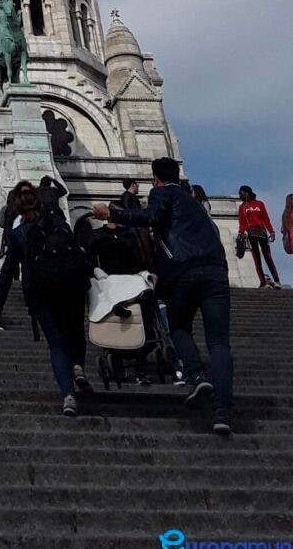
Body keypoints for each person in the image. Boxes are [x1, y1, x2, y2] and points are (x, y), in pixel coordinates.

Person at [95, 157, 233, 435]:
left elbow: (151, 217)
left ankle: (195, 374)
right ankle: (222, 411)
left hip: (184, 273)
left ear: (155, 178)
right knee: (219, 343)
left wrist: (111, 213)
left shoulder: (163, 193)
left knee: (179, 328)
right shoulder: (194, 203)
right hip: (216, 274)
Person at [0, 190, 91, 416]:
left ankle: (68, 395)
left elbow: (8, 270)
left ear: (17, 210)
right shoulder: (59, 223)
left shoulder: (19, 233)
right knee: (76, 331)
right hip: (72, 287)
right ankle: (78, 366)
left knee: (57, 344)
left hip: (42, 293)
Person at [236, 186, 280, 288]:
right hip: (251, 234)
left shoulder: (259, 204)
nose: (240, 196)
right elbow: (242, 223)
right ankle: (263, 282)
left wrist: (271, 231)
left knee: (268, 257)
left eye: (241, 193)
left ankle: (277, 280)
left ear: (247, 193)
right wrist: (240, 233)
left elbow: (266, 219)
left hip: (262, 232)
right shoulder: (242, 207)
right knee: (256, 258)